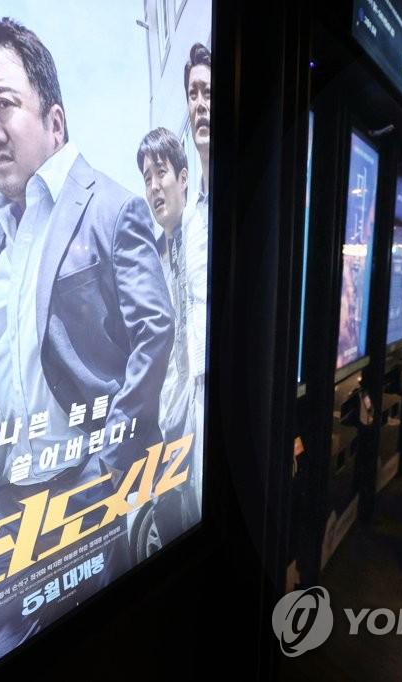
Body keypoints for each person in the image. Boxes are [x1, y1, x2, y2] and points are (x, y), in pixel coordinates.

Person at [0, 14, 173, 668]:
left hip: (86, 496)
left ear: (55, 120)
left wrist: (106, 469)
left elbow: (155, 332)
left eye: (5, 104)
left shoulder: (111, 208)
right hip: (4, 517)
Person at [136, 127, 200, 545]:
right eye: (147, 178)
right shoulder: (152, 257)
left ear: (183, 178)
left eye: (161, 173)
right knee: (172, 518)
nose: (154, 186)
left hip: (200, 409)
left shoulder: (203, 236)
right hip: (168, 420)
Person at [183, 42, 212, 511]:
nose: (201, 104)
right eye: (193, 94)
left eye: (209, 91)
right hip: (197, 390)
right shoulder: (191, 214)